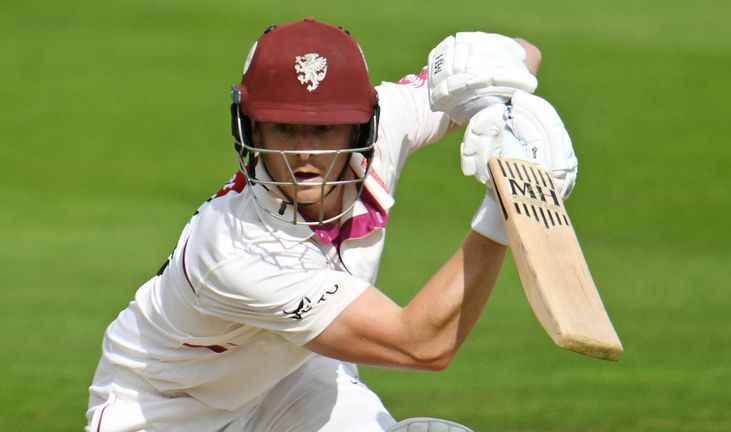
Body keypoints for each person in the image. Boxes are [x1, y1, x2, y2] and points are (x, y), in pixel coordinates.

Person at [85, 17, 577, 432]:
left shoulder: (387, 122)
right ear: (251, 127)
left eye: (323, 129)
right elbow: (423, 344)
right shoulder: (235, 248)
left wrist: (500, 113)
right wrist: (506, 201)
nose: (304, 153)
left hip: (288, 377)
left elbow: (520, 55)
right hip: (167, 410)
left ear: (362, 125)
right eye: (284, 127)